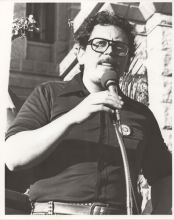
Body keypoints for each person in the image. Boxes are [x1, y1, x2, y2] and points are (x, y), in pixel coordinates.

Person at [5, 11, 172, 215]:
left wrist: (159, 214)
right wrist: (72, 117)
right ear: (81, 53)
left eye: (120, 48)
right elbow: (13, 157)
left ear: (127, 62)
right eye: (99, 44)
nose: (109, 52)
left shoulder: (141, 115)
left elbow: (164, 174)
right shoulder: (48, 94)